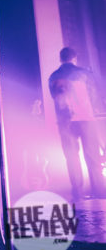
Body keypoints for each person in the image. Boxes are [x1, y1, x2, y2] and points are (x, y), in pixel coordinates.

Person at [48, 47, 106, 199]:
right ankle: (99, 191)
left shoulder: (53, 76)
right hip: (85, 118)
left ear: (60, 59)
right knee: (92, 155)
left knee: (71, 157)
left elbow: (54, 97)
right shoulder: (84, 73)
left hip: (65, 121)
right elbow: (93, 94)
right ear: (74, 58)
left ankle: (78, 193)